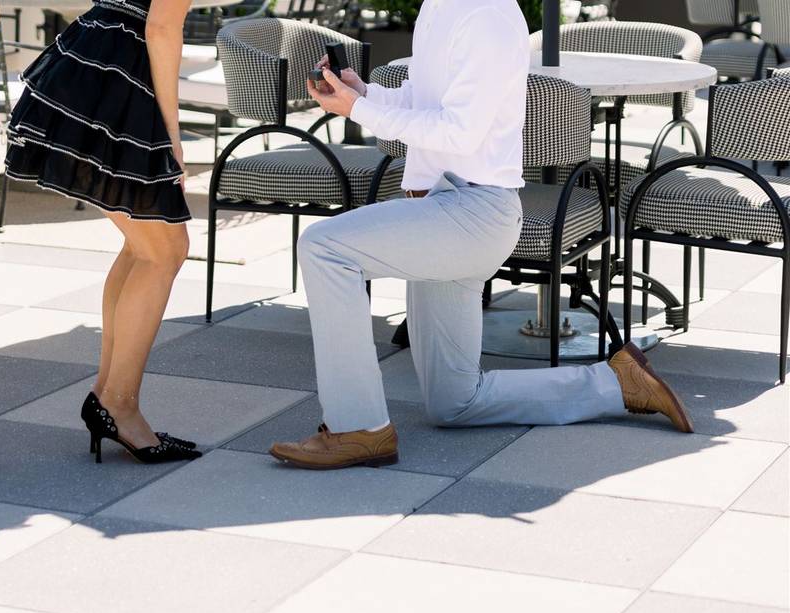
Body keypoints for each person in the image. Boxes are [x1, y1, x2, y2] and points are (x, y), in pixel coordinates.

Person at [269, 0, 694, 471]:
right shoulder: (441, 7)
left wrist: (362, 111)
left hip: (472, 214)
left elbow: (462, 133)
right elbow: (426, 104)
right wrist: (363, 94)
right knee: (454, 403)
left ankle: (357, 428)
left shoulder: (488, 16)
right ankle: (618, 385)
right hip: (440, 209)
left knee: (325, 247)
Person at [5, 0, 201, 464]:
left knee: (145, 247)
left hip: (100, 61)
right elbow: (162, 27)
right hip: (117, 72)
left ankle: (108, 395)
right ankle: (119, 404)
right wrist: (173, 132)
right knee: (164, 250)